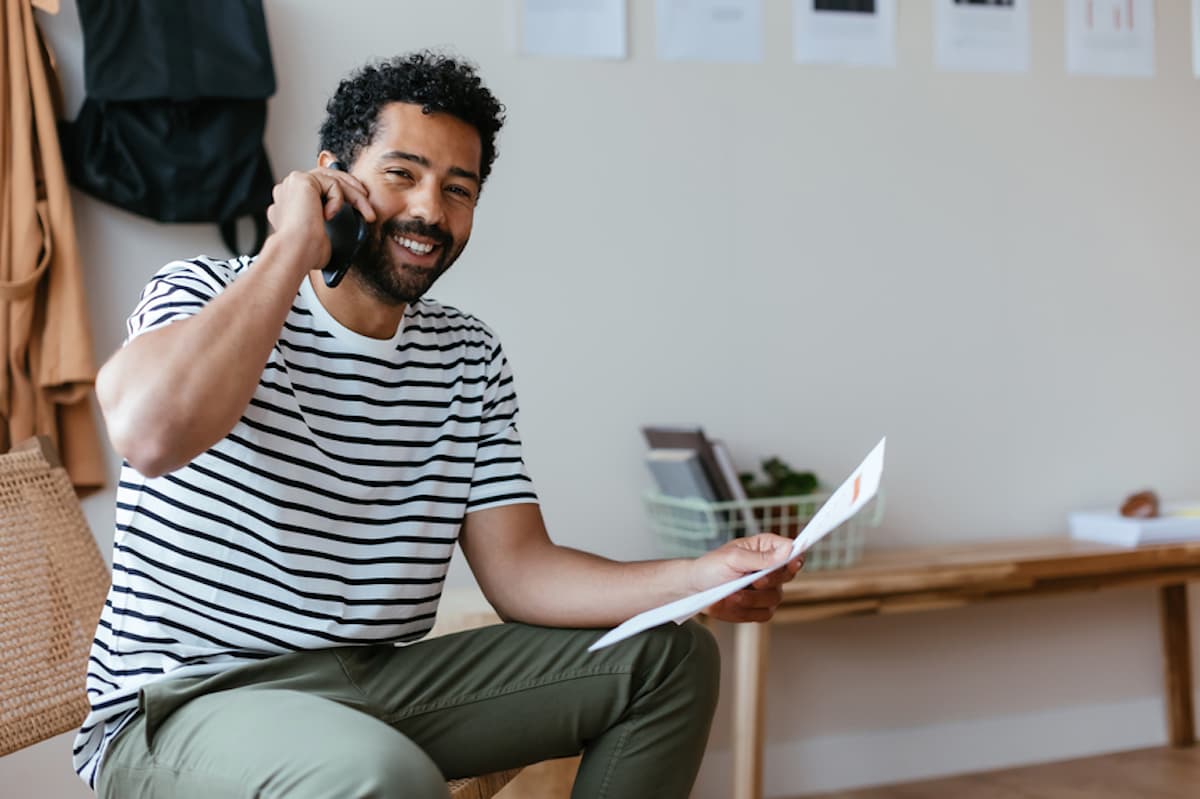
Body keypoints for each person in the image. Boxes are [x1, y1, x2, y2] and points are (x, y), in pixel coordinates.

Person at [74, 50, 803, 798]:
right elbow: (150, 434)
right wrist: (292, 246)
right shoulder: (205, 292)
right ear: (332, 175)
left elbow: (521, 570)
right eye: (402, 173)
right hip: (186, 706)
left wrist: (696, 579)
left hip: (372, 681)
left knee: (669, 659)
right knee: (380, 776)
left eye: (459, 189)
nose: (429, 209)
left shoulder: (466, 354)